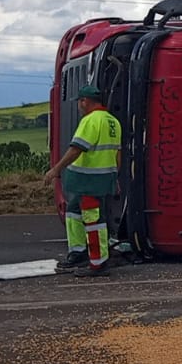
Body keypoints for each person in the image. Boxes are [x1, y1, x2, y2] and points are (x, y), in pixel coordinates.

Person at [44, 84, 122, 276]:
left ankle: (98, 263)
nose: (79, 106)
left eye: (79, 102)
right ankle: (78, 253)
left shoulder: (90, 121)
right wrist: (115, 177)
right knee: (73, 212)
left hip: (89, 181)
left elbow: (76, 149)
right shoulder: (113, 121)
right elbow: (117, 154)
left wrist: (56, 169)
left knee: (93, 220)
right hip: (99, 180)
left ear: (85, 101)